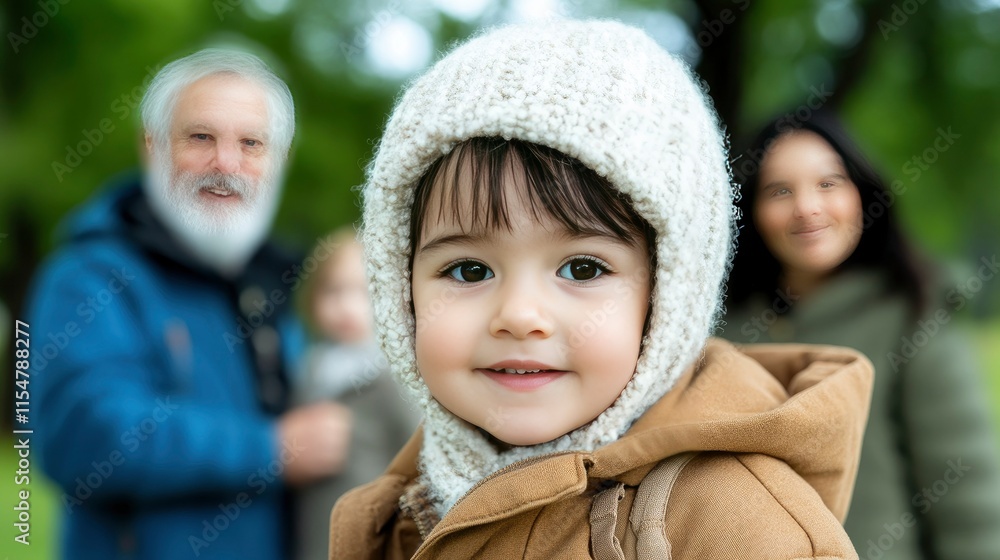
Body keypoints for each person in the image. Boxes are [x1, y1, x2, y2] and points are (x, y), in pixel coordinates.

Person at [329, 20, 874, 559]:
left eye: (583, 269)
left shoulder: (735, 526)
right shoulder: (405, 506)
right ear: (402, 289)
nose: (519, 316)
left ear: (668, 298)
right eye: (470, 270)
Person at [26, 49, 351, 559]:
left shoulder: (273, 286)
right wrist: (271, 450)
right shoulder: (88, 276)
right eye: (201, 137)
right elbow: (80, 435)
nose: (226, 164)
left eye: (251, 143)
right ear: (152, 146)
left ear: (279, 161)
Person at [721, 112, 1000, 559]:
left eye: (828, 183)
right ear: (752, 210)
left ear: (862, 193)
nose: (807, 207)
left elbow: (968, 502)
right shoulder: (723, 327)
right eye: (779, 190)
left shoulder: (913, 316)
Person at [292, 227, 420, 560]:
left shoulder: (393, 376)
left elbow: (420, 457)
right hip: (315, 534)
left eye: (364, 292)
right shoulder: (308, 371)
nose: (347, 307)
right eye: (334, 291)